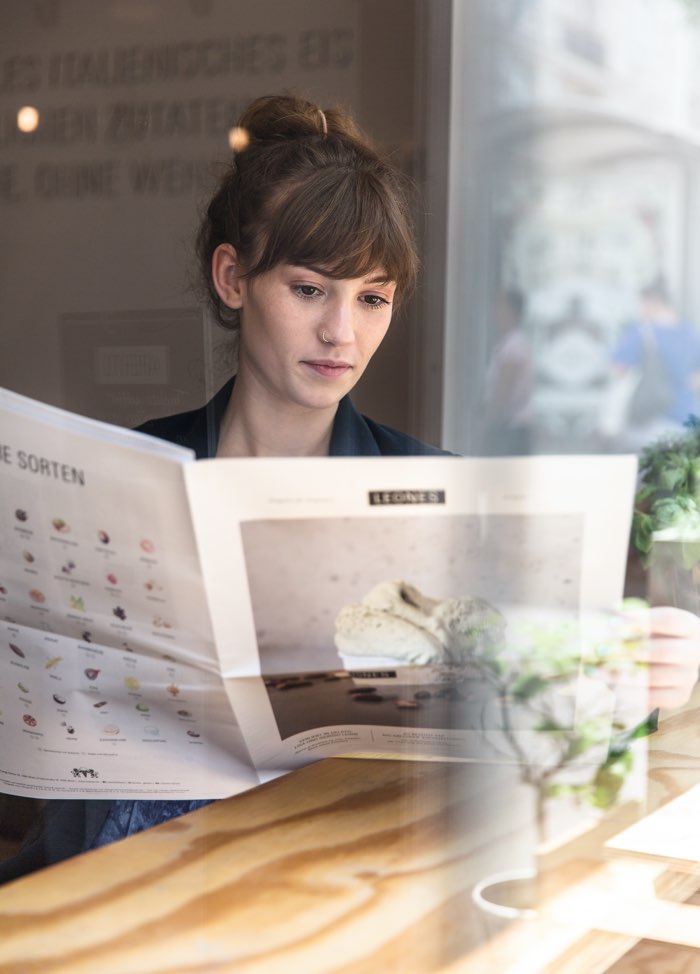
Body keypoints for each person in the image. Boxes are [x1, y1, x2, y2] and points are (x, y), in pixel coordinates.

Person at [1, 95, 699, 882]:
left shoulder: (443, 498)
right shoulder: (125, 476)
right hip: (112, 876)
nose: (343, 332)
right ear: (233, 278)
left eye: (372, 297)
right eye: (309, 290)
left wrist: (634, 684)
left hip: (331, 880)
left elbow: (532, 732)